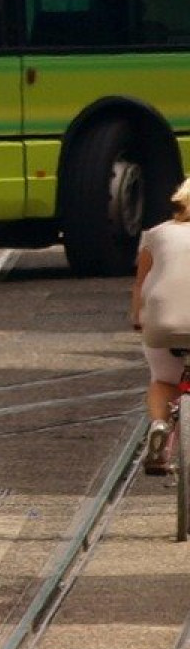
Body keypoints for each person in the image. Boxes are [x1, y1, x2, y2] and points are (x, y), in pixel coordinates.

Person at [131, 180, 190, 473]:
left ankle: (159, 424)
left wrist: (136, 319)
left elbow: (141, 283)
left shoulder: (155, 235)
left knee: (164, 381)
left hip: (162, 326)